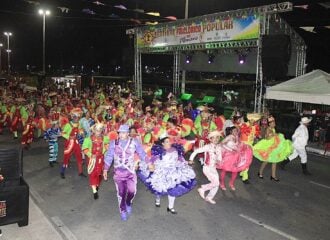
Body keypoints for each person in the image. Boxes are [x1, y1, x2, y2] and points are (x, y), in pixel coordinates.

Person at [138, 134, 196, 214]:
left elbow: (180, 159)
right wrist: (150, 166)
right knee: (159, 188)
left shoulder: (175, 149)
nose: (169, 143)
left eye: (170, 141)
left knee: (173, 189)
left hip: (174, 171)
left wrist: (187, 162)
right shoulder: (159, 151)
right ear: (162, 143)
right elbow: (152, 160)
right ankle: (157, 199)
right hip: (162, 171)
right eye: (167, 142)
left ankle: (170, 207)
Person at [103, 124, 148, 221]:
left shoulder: (134, 142)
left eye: (123, 133)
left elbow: (141, 153)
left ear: (128, 133)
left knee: (132, 191)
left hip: (130, 171)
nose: (121, 134)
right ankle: (122, 210)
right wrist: (105, 169)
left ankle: (128, 203)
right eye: (119, 132)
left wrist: (149, 162)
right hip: (118, 172)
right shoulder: (113, 143)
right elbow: (109, 156)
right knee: (121, 193)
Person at [253, 116, 293, 181]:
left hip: (274, 146)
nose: (274, 124)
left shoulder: (273, 129)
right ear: (269, 124)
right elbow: (267, 138)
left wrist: (276, 135)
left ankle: (273, 176)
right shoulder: (268, 129)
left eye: (274, 122)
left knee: (275, 160)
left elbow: (274, 136)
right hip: (269, 147)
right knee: (266, 161)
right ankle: (260, 172)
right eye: (273, 123)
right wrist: (273, 135)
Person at [189, 130, 222, 204]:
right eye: (214, 138)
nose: (216, 139)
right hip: (207, 168)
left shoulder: (219, 147)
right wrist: (191, 159)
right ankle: (203, 189)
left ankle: (209, 197)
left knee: (216, 184)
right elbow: (196, 151)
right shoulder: (207, 147)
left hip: (213, 168)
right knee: (216, 183)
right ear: (210, 139)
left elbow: (219, 156)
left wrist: (219, 161)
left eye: (217, 137)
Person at [217, 126, 253, 191]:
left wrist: (246, 146)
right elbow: (221, 144)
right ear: (231, 132)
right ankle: (222, 183)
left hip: (236, 157)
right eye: (234, 131)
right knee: (224, 170)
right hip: (228, 157)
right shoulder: (229, 137)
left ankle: (231, 183)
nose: (235, 132)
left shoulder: (237, 137)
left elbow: (240, 145)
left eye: (236, 131)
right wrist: (229, 149)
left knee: (235, 171)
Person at [82, 123, 109, 200]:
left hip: (101, 159)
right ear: (94, 130)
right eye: (97, 130)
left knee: (100, 174)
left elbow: (107, 145)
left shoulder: (105, 138)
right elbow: (84, 148)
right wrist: (91, 154)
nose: (98, 132)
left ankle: (96, 185)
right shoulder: (88, 139)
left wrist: (106, 148)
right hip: (92, 160)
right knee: (93, 174)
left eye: (100, 130)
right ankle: (94, 191)